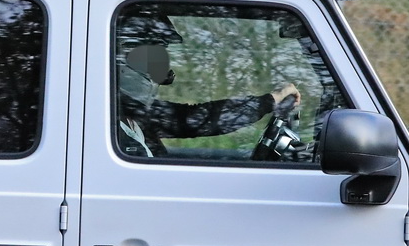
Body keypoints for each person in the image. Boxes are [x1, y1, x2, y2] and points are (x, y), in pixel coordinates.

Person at [114, 34, 301, 161]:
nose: (165, 74)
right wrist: (271, 99)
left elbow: (204, 119)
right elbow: (202, 119)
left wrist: (271, 99)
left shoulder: (140, 116)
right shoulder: (108, 124)